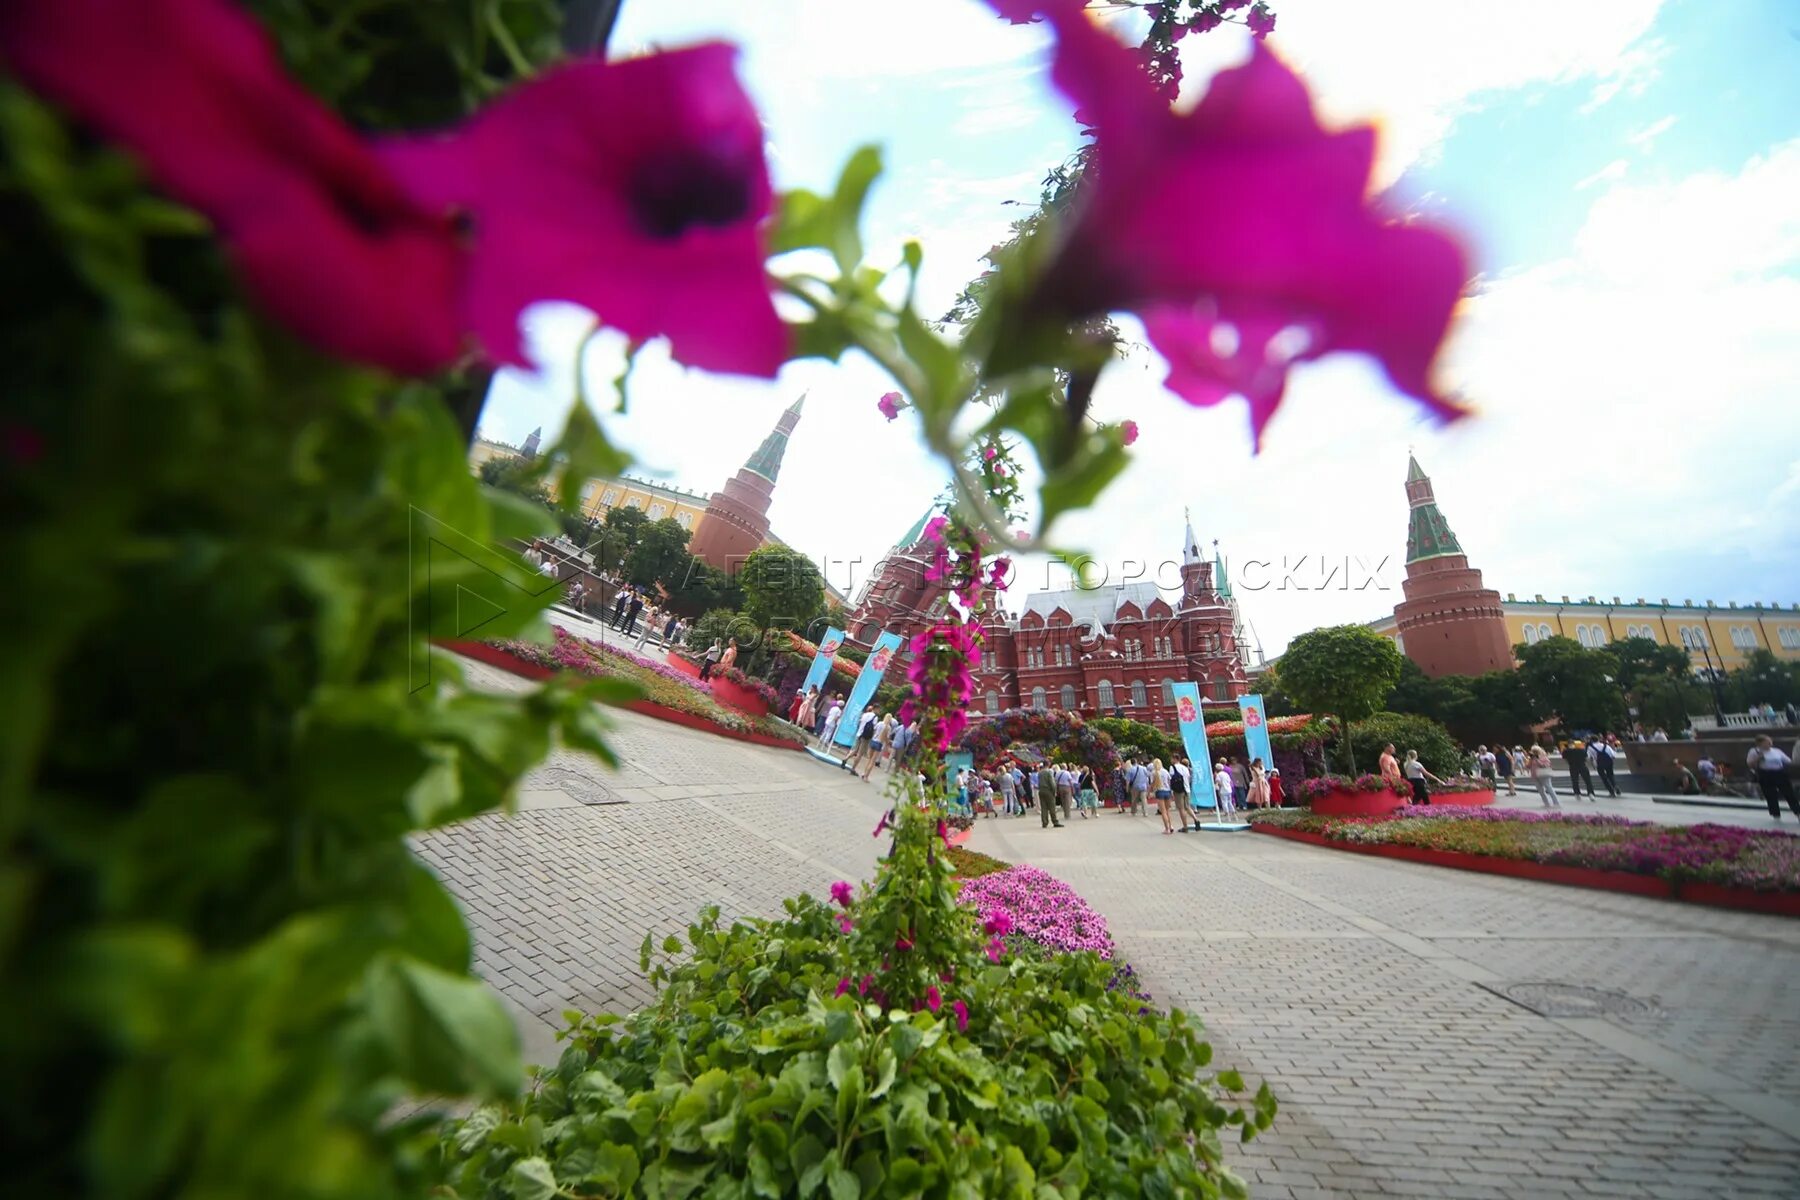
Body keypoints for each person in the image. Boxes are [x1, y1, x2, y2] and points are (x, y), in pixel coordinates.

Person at [1749, 735, 1799, 819]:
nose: (1770, 743)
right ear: (1760, 743)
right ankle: (1775, 814)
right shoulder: (1754, 751)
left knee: (1789, 793)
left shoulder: (1776, 751)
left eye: (1770, 741)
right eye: (1767, 742)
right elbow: (1750, 764)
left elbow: (1787, 761)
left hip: (1779, 773)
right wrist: (1758, 758)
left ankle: (1797, 811)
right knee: (1770, 795)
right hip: (1765, 774)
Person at [1149, 758, 1174, 834]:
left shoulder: (1153, 773)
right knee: (1167, 811)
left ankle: (1167, 829)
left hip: (1160, 791)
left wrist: (1149, 792)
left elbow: (1152, 784)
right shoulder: (1165, 771)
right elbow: (1169, 781)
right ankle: (1171, 826)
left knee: (1163, 811)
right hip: (1167, 791)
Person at [1168, 757, 1194, 831]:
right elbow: (1189, 778)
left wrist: (1171, 790)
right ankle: (1196, 820)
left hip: (1179, 790)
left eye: (1172, 759)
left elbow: (1171, 778)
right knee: (1188, 807)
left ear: (1175, 759)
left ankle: (1185, 826)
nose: (1171, 760)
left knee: (1181, 808)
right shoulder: (1185, 768)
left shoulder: (1172, 767)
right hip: (1187, 789)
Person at [1037, 762, 1063, 829]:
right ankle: (1055, 822)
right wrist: (1054, 791)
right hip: (1048, 790)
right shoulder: (1049, 772)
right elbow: (1052, 782)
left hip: (1041, 790)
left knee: (1044, 808)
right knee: (1052, 807)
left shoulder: (1040, 773)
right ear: (1048, 765)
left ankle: (1044, 822)